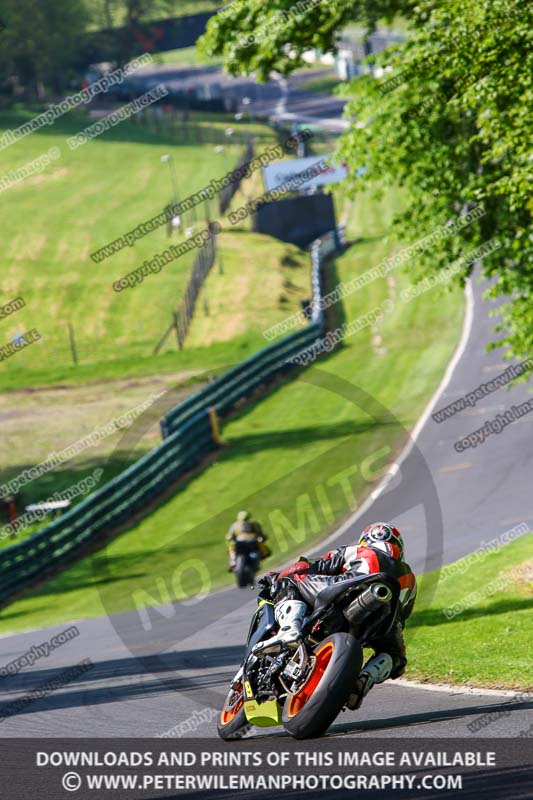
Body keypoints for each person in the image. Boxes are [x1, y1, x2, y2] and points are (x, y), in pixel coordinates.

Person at [254, 522, 416, 708]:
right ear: (399, 549)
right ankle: (365, 679)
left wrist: (280, 575)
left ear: (366, 540)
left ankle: (289, 629)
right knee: (396, 657)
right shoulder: (409, 576)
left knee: (291, 579)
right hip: (385, 620)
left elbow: (319, 565)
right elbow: (404, 615)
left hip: (348, 588)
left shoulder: (357, 550)